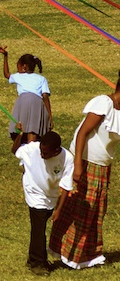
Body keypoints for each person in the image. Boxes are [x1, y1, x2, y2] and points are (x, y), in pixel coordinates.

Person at [48, 78, 120, 269]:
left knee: (95, 211)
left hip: (103, 166)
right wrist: (78, 164)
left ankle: (86, 255)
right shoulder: (104, 103)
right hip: (85, 162)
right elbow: (82, 133)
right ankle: (67, 253)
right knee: (79, 208)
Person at [11, 129, 73, 276]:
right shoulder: (33, 148)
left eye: (45, 153)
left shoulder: (67, 158)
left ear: (56, 150)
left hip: (51, 196)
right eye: (41, 150)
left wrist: (58, 209)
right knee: (39, 229)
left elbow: (66, 186)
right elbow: (15, 151)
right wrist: (20, 135)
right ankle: (38, 264)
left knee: (40, 228)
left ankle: (32, 257)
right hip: (34, 193)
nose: (41, 155)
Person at [1, 49, 52, 142]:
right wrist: (49, 117)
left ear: (24, 67)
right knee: (33, 130)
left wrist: (5, 57)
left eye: (18, 67)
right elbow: (45, 97)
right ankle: (31, 146)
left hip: (23, 101)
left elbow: (6, 74)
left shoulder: (19, 76)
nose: (17, 69)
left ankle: (23, 147)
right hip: (37, 102)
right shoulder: (41, 78)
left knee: (20, 128)